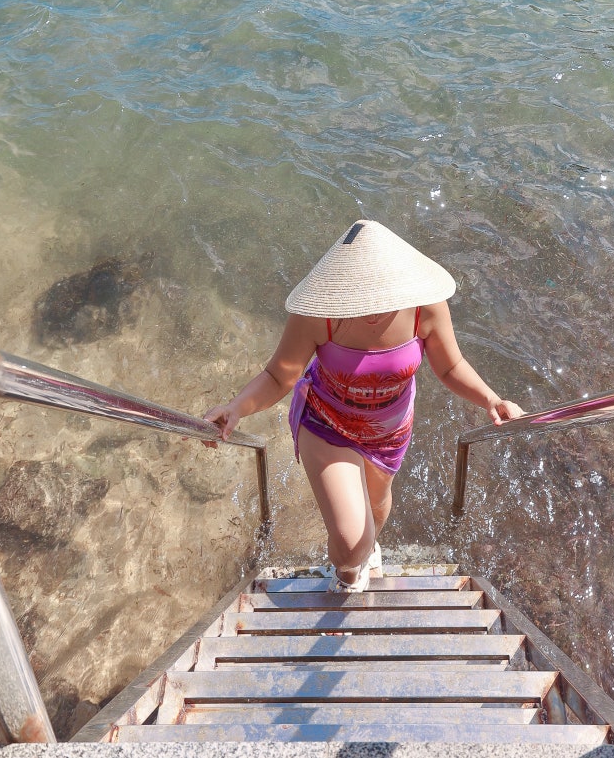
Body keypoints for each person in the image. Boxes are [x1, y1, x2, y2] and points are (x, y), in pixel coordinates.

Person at [205, 219, 525, 593]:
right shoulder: (320, 312)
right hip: (327, 422)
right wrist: (237, 408)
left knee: (375, 506)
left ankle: (365, 552)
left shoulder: (424, 308)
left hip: (391, 430)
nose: (371, 309)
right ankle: (346, 574)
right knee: (349, 542)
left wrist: (491, 399)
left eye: (379, 293)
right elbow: (279, 376)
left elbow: (450, 366)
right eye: (359, 294)